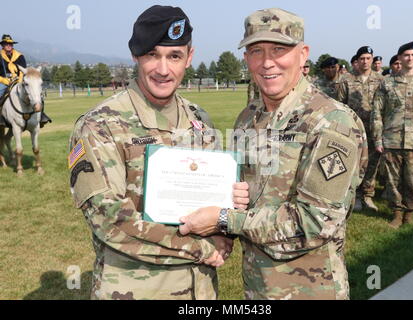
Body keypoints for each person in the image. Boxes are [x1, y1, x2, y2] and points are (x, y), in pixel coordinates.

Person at [179, 8, 368, 300]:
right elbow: (241, 193)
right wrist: (223, 226)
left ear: (302, 54)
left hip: (311, 289)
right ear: (246, 59)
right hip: (257, 286)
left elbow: (315, 223)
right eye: (256, 51)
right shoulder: (248, 118)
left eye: (279, 49)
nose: (267, 63)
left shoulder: (331, 121)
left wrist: (226, 220)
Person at [68, 5, 244, 300]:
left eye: (174, 56)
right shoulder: (100, 124)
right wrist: (201, 248)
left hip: (199, 292)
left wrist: (227, 220)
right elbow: (108, 219)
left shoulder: (199, 120)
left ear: (189, 57)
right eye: (152, 55)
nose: (163, 69)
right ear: (136, 55)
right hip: (136, 290)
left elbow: (217, 201)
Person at [371, 41, 413, 228]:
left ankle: (410, 213)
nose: (410, 58)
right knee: (393, 181)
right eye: (406, 55)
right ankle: (397, 213)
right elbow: (377, 112)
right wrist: (378, 138)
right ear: (399, 58)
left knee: (412, 180)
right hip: (391, 140)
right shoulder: (387, 83)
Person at [337, 46, 384, 211]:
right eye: (362, 58)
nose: (365, 61)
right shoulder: (347, 79)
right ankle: (354, 196)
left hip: (373, 128)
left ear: (372, 60)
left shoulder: (380, 80)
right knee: (354, 163)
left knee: (372, 163)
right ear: (357, 60)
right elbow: (340, 104)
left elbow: (384, 106)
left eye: (368, 58)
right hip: (354, 129)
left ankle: (368, 195)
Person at [0, 34, 26, 99]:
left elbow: (22, 71)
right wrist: (4, 81)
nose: (9, 45)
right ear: (2, 45)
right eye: (6, 43)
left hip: (18, 81)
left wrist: (19, 82)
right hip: (3, 82)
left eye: (10, 43)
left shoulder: (20, 56)